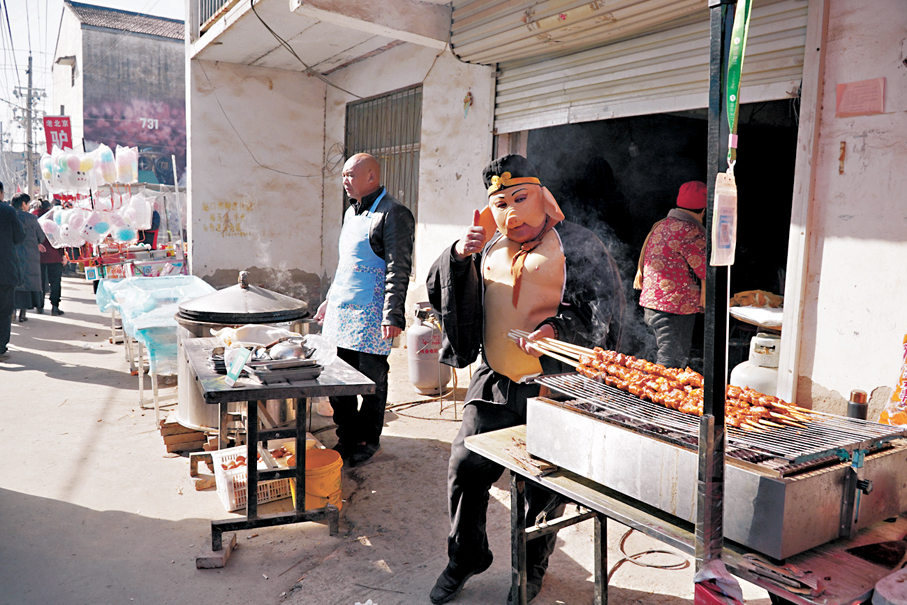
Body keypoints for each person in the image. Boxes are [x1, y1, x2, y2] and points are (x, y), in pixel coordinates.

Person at [426, 154, 624, 604]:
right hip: (495, 380)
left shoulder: (578, 244)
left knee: (541, 486)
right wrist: (459, 255)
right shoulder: (488, 246)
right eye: (500, 203)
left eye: (520, 198)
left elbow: (602, 307)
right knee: (465, 467)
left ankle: (531, 566)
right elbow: (445, 291)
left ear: (544, 198)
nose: (511, 213)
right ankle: (466, 555)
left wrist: (557, 330)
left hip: (555, 385)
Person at [314, 153, 415, 467]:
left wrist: (393, 313)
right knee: (335, 377)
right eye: (343, 175)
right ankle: (347, 435)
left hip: (372, 313)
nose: (345, 181)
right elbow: (346, 265)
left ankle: (368, 441)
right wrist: (330, 299)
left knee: (371, 380)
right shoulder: (350, 213)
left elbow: (399, 268)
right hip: (342, 311)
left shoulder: (394, 213)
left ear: (372, 177)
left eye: (350, 175)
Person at [634, 180, 707, 369]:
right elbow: (707, 269)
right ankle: (656, 399)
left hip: (652, 305)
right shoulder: (690, 231)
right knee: (671, 363)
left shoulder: (662, 225)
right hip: (673, 309)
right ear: (703, 210)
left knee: (654, 357)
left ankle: (648, 394)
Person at [0, 183, 26, 361]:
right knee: (4, 309)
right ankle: (0, 347)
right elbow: (19, 237)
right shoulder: (8, 211)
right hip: (4, 268)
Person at [12, 193, 45, 323]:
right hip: (30, 257)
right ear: (24, 204)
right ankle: (22, 314)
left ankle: (12, 312)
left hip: (13, 256)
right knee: (26, 284)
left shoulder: (9, 217)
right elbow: (41, 237)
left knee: (14, 285)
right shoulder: (32, 219)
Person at [34, 199, 66, 316]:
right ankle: (55, 307)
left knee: (40, 282)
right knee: (55, 282)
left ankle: (39, 306)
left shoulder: (33, 217)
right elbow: (60, 237)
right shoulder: (54, 218)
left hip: (39, 257)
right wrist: (62, 254)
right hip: (54, 256)